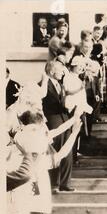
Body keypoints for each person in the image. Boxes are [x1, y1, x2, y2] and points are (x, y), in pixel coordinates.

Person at [7, 110, 82, 214]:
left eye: (39, 129)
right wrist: (73, 130)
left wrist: (73, 128)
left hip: (33, 201)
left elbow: (56, 142)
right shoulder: (24, 142)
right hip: (24, 202)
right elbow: (55, 141)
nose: (38, 132)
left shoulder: (31, 143)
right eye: (35, 129)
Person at [42, 60, 75, 192]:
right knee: (54, 151)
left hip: (65, 118)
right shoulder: (44, 84)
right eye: (60, 70)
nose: (62, 72)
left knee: (68, 151)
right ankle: (53, 183)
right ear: (51, 71)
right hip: (53, 120)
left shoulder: (61, 84)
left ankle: (65, 183)